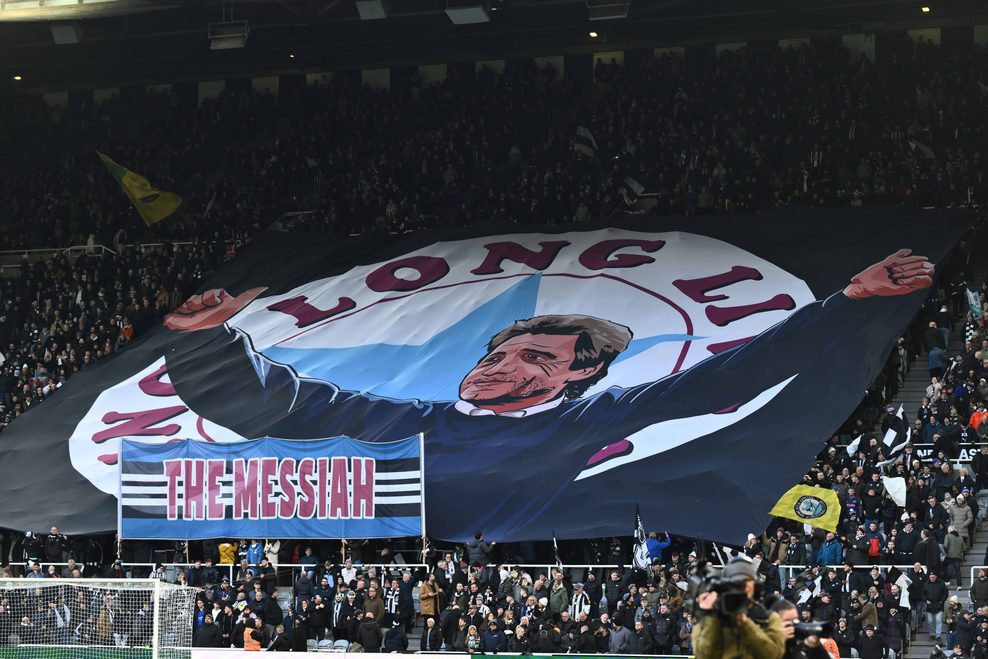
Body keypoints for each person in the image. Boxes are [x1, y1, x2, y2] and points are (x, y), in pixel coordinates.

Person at [163, 250, 935, 540]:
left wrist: (847, 303)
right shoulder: (389, 415)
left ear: (573, 375)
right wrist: (205, 340)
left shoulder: (590, 419)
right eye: (501, 348)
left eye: (533, 355)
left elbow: (727, 379)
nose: (500, 362)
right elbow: (267, 401)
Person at [692, 557, 786, 659]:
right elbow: (702, 655)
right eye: (736, 582)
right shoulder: (710, 616)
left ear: (755, 585)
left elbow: (774, 655)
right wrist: (712, 617)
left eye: (747, 580)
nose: (742, 586)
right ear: (727, 585)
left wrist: (745, 623)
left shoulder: (769, 617)